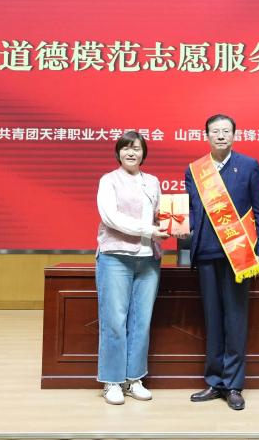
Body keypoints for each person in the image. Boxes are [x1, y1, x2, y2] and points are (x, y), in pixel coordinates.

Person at [185, 114, 259, 411]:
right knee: (213, 320)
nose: (220, 135)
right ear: (206, 135)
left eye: (226, 131)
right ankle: (214, 381)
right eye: (215, 131)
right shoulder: (195, 170)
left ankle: (233, 385)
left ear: (234, 134)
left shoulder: (249, 166)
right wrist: (179, 226)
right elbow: (192, 212)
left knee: (235, 320)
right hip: (206, 253)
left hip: (239, 255)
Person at [95, 130, 169, 405]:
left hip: (148, 258)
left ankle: (134, 378)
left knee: (141, 321)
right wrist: (148, 230)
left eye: (136, 148)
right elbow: (110, 217)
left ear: (143, 153)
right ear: (118, 152)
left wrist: (175, 226)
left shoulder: (152, 181)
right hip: (115, 257)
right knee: (114, 321)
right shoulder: (109, 180)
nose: (131, 152)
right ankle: (112, 381)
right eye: (126, 148)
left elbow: (161, 215)